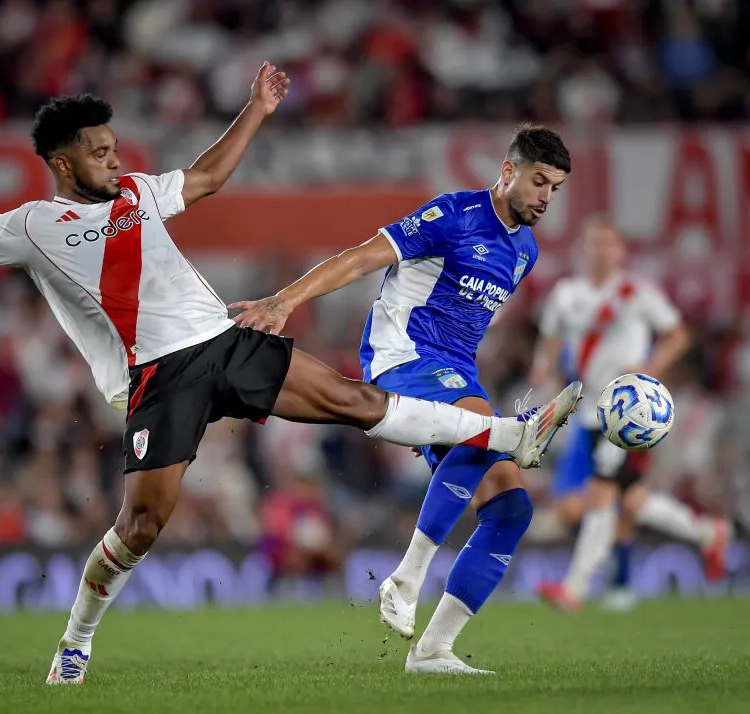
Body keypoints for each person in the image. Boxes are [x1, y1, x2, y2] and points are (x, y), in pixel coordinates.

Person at [0, 67, 579, 685]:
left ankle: (510, 434)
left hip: (222, 338)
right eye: (99, 152)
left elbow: (208, 177)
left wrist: (257, 108)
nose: (114, 159)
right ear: (61, 162)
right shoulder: (30, 226)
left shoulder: (137, 191)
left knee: (357, 399)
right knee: (144, 527)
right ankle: (77, 639)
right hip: (157, 376)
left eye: (114, 147)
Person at [232, 124, 581, 675]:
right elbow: (360, 258)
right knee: (484, 427)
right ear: (509, 171)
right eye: (539, 182)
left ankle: (433, 650)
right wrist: (285, 300)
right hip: (402, 357)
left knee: (511, 508)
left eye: (555, 188)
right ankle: (407, 577)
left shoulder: (525, 251)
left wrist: (440, 414)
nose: (546, 197)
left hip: (455, 376)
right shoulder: (452, 215)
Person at [530, 215, 730, 613]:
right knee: (631, 500)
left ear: (621, 250)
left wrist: (647, 372)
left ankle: (575, 588)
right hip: (589, 411)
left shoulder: (637, 292)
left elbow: (678, 336)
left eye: (608, 243)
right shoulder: (567, 294)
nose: (600, 250)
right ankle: (709, 531)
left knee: (602, 493)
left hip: (629, 414)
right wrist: (543, 370)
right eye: (594, 242)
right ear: (583, 248)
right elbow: (551, 340)